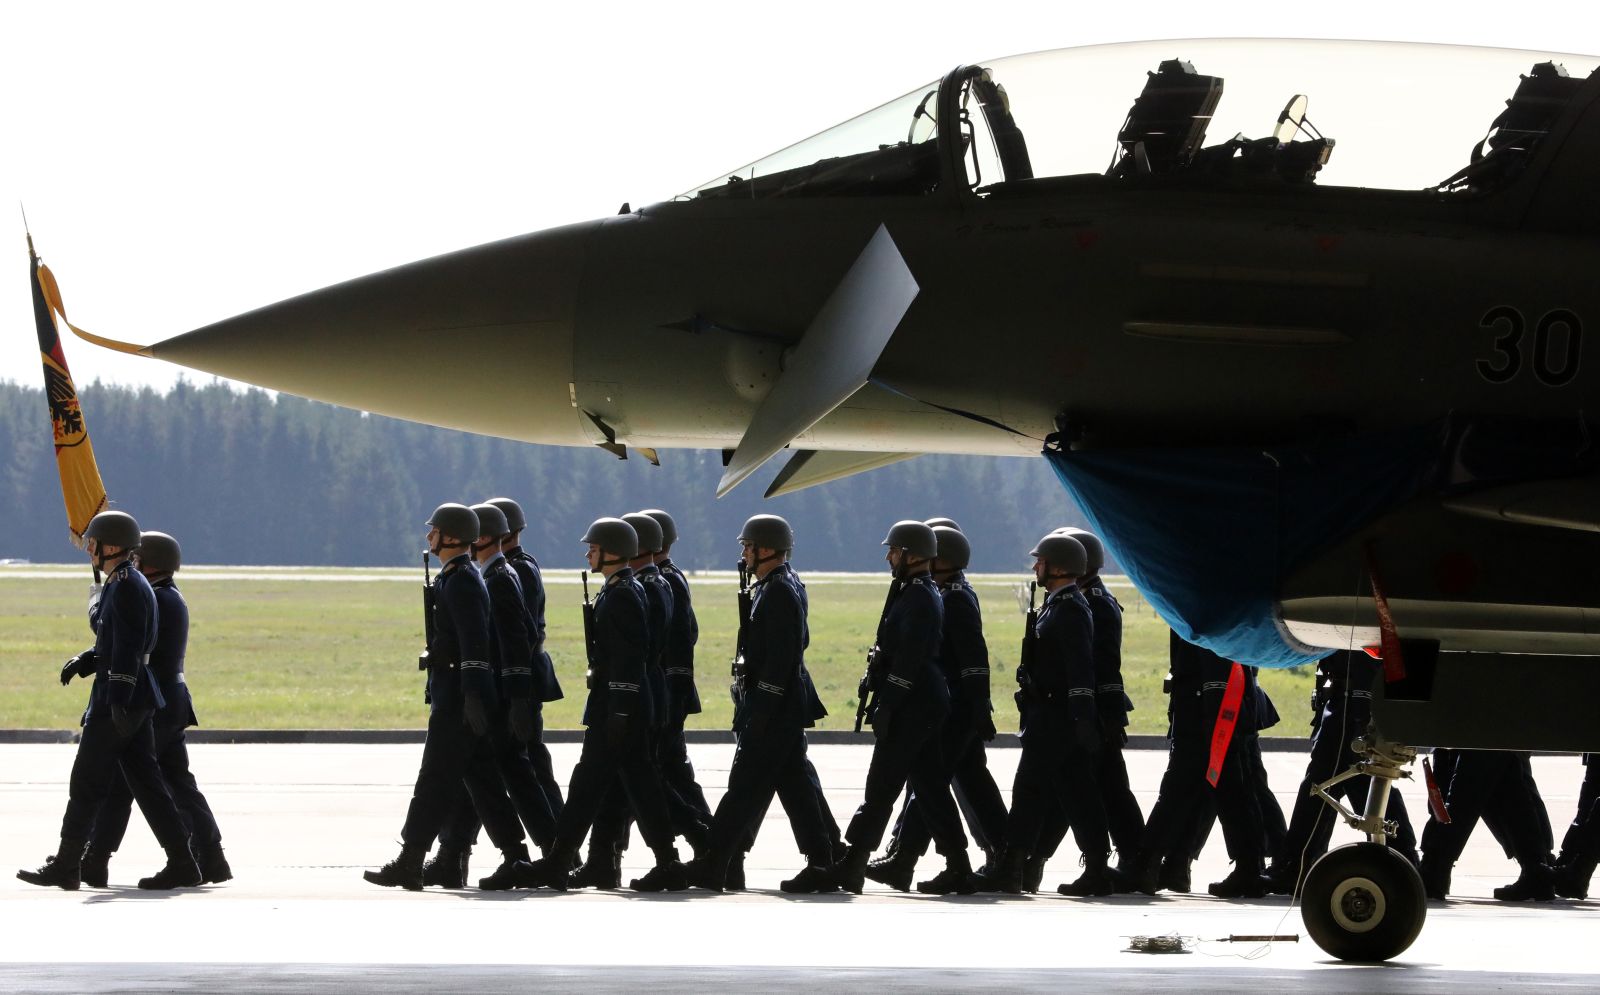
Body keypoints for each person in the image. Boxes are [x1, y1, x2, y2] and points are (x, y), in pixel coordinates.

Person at [17, 510, 201, 891]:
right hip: (130, 698)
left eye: (94, 544)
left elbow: (132, 646)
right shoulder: (124, 581)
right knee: (148, 785)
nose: (89, 550)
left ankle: (68, 865)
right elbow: (114, 637)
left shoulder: (129, 585)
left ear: (112, 547)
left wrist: (116, 694)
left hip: (119, 700)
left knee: (87, 780)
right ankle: (183, 861)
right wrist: (87, 660)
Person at [363, 503, 532, 890]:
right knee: (485, 784)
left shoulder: (463, 581)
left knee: (434, 781)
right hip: (460, 694)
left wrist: (471, 694)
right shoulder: (456, 577)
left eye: (435, 531)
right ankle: (516, 856)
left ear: (452, 536)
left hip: (459, 699)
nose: (429, 537)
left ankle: (410, 859)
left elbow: (475, 643)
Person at [516, 517, 688, 892]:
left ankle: (563, 861)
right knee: (623, 787)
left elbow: (630, 657)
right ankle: (568, 860)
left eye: (594, 548)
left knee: (598, 787)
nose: (588, 553)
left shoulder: (624, 594)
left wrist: (621, 710)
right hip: (619, 708)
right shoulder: (619, 589)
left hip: (619, 708)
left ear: (612, 552)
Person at [688, 514, 836, 892]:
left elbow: (782, 657)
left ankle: (716, 861)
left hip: (775, 707)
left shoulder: (780, 590)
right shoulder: (776, 585)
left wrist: (762, 711)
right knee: (796, 788)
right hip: (779, 706)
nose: (744, 553)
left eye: (748, 546)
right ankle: (823, 861)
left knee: (745, 786)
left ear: (767, 549)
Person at [79, 530, 230, 888]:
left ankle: (96, 857)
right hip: (171, 700)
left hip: (154, 704)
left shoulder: (154, 599)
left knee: (125, 783)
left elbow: (112, 633)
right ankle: (210, 857)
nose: (130, 562)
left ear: (148, 563)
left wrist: (98, 602)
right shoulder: (169, 596)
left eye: (135, 559)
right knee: (177, 782)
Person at [827, 520, 970, 894]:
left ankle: (854, 861)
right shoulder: (912, 590)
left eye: (894, 550)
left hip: (914, 703)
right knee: (931, 787)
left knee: (883, 784)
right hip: (920, 701)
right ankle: (959, 865)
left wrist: (888, 703)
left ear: (913, 555)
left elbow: (910, 659)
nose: (889, 556)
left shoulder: (921, 596)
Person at [423, 503, 560, 889]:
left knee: (517, 776)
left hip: (501, 694)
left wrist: (512, 697)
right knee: (479, 776)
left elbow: (518, 641)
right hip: (494, 692)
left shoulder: (501, 576)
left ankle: (553, 853)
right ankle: (455, 854)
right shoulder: (490, 573)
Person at [867, 522, 1006, 894]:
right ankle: (1005, 856)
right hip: (953, 705)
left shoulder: (955, 597)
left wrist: (978, 706)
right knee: (952, 783)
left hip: (958, 709)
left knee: (930, 784)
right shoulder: (942, 591)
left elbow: (974, 657)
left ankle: (909, 858)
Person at [988, 531, 1113, 896]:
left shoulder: (1070, 608)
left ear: (1058, 567)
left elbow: (1080, 669)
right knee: (1077, 793)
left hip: (1056, 720)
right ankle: (1096, 867)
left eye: (1041, 561)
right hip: (1052, 716)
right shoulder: (1058, 604)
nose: (1035, 567)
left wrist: (1081, 717)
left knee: (1031, 790)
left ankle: (1013, 868)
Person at [1267, 649, 1418, 895]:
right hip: (1351, 699)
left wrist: (1357, 705)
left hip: (1352, 704)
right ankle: (1405, 860)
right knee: (1363, 781)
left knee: (1323, 784)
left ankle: (1297, 866)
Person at [487, 496, 564, 819]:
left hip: (523, 681)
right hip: (514, 679)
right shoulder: (514, 566)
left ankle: (561, 847)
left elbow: (524, 633)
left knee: (531, 767)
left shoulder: (518, 570)